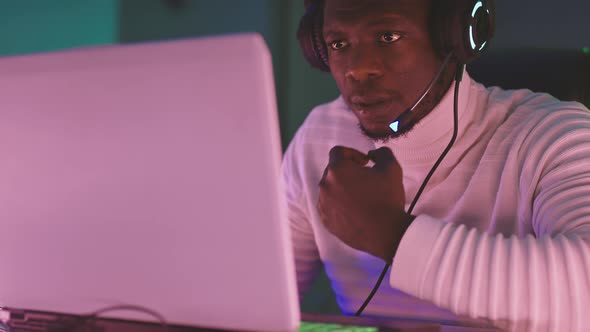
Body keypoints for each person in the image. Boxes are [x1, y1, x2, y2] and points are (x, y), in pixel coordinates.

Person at [282, 0, 590, 331]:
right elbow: (255, 297)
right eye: (339, 44)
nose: (358, 69)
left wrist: (391, 234)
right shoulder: (320, 136)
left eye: (388, 36)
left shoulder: (552, 134)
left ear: (456, 37)